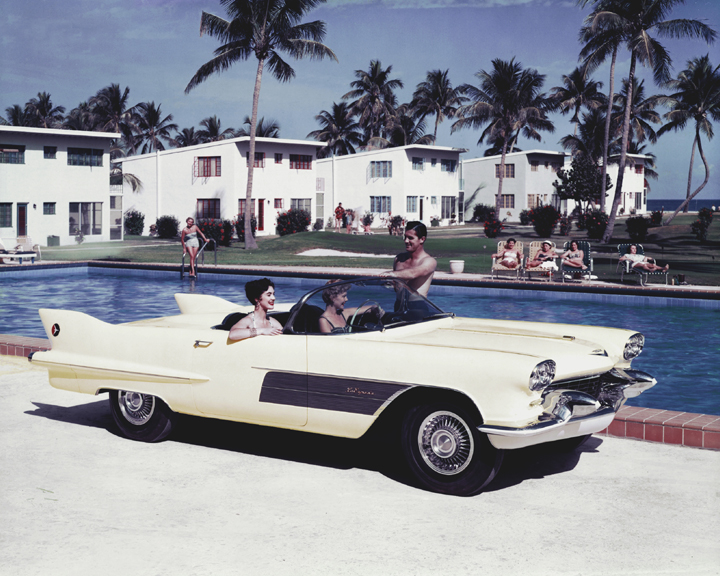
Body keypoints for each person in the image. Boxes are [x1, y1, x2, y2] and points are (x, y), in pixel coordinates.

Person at [380, 221, 437, 297]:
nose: (406, 241)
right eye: (405, 237)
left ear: (422, 239)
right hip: (399, 307)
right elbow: (396, 287)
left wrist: (392, 274)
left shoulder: (429, 261)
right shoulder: (399, 259)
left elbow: (413, 273)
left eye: (410, 238)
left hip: (418, 307)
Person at [318, 280, 383, 334]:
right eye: (343, 296)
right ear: (332, 298)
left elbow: (369, 308)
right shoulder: (324, 321)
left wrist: (377, 309)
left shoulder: (344, 313)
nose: (346, 299)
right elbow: (328, 344)